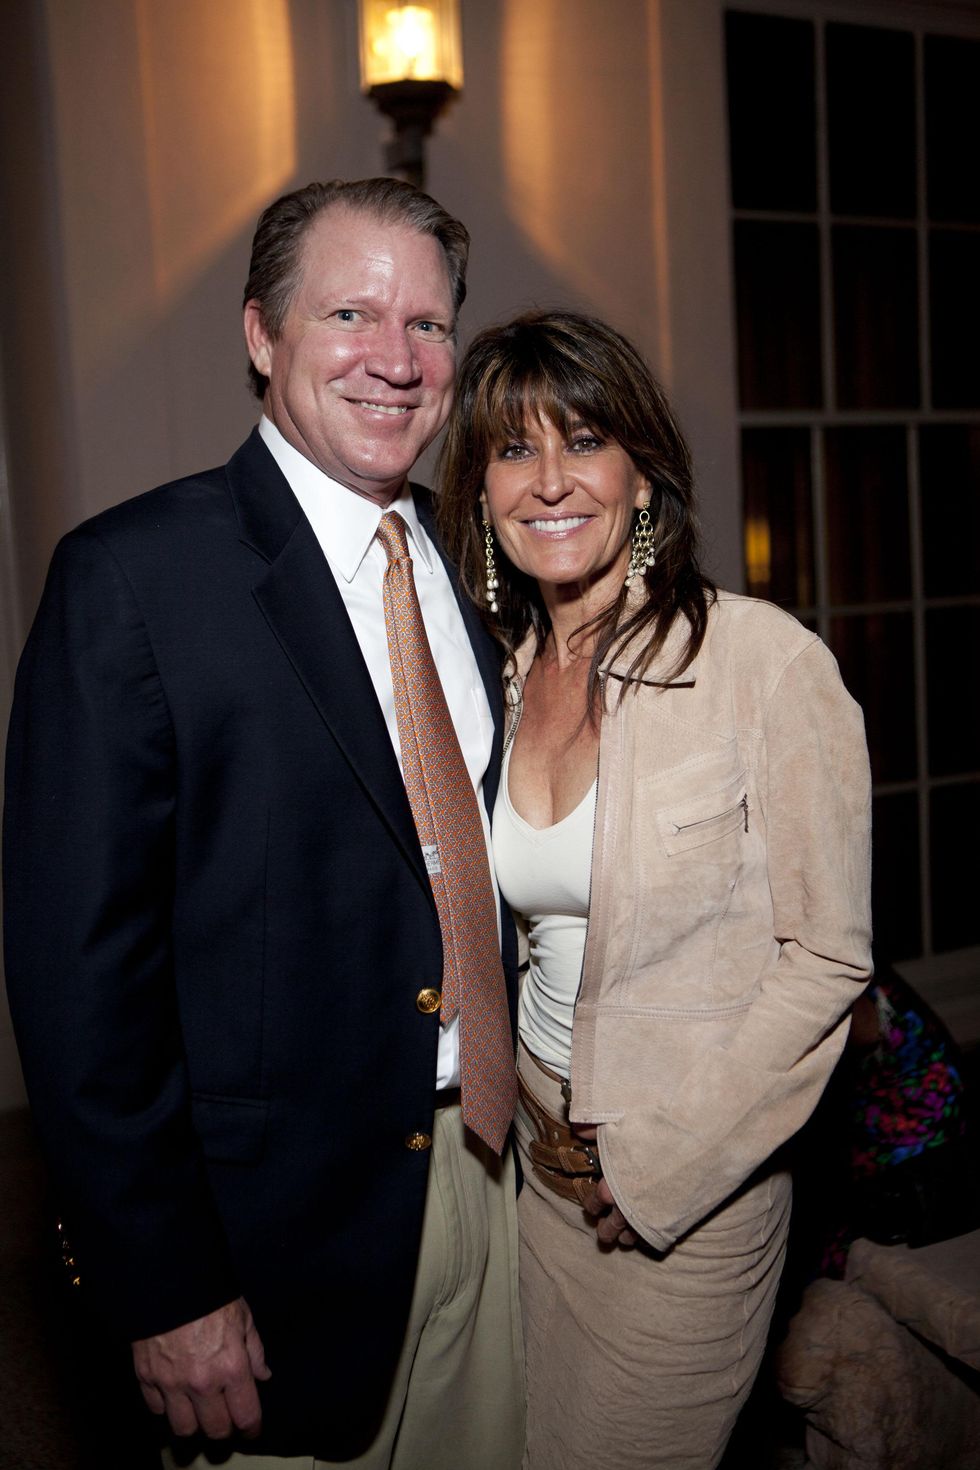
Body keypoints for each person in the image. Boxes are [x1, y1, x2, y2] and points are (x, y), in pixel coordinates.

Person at [3, 179, 524, 1470]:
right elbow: (81, 985)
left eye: (429, 324)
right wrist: (164, 1281)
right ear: (261, 334)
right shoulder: (132, 578)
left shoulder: (473, 567)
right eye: (350, 312)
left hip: (492, 1180)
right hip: (270, 1241)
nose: (397, 361)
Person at [436, 309, 873, 1470]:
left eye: (581, 440)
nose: (548, 482)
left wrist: (664, 1163)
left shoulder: (759, 662)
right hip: (526, 1171)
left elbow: (826, 956)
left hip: (684, 1194)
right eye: (511, 451)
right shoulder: (497, 675)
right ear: (479, 494)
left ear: (640, 473)